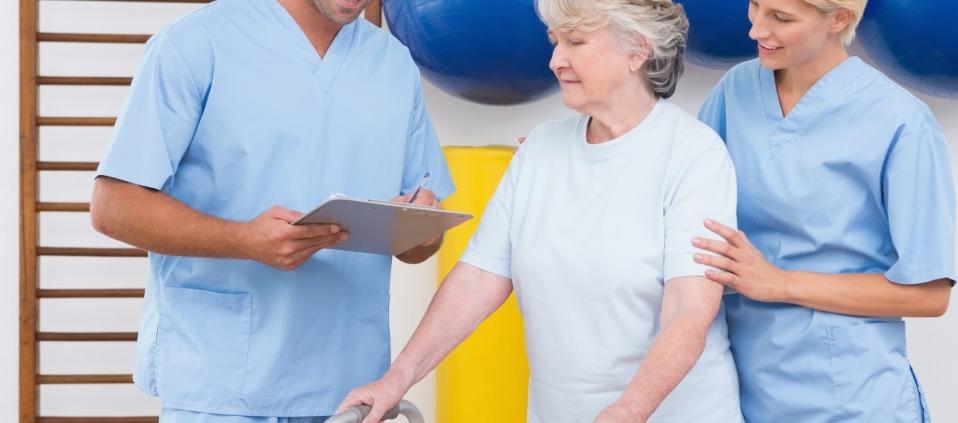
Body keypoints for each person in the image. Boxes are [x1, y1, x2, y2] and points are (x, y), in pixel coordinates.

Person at [336, 0, 743, 422]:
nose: (555, 60)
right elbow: (476, 281)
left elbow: (689, 311)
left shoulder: (694, 155)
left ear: (637, 50)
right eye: (554, 42)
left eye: (575, 42)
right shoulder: (540, 152)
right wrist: (396, 379)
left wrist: (629, 410)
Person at [89, 0, 453, 420]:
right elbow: (113, 206)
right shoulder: (194, 44)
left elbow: (418, 240)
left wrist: (422, 230)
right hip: (222, 383)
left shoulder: (393, 66)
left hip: (350, 389)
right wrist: (243, 240)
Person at [693, 0, 956, 421]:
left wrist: (780, 283)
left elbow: (930, 294)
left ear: (838, 19)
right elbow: (686, 215)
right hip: (737, 388)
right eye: (755, 6)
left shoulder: (900, 121)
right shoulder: (735, 91)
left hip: (848, 397)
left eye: (780, 17)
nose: (756, 30)